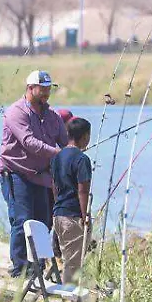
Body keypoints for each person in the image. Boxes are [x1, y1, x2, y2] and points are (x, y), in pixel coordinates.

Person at [0, 70, 68, 277]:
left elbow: (64, 141)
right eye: (43, 88)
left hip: (41, 175)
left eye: (49, 88)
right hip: (16, 172)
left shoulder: (52, 116)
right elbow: (29, 142)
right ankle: (19, 267)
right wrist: (58, 153)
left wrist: (72, 154)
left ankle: (37, 266)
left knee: (43, 221)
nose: (47, 92)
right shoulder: (15, 112)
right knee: (22, 219)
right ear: (30, 88)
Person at [50, 117, 92, 284]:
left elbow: (54, 187)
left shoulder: (57, 157)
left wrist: (57, 206)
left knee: (69, 259)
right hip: (73, 216)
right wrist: (85, 215)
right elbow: (83, 190)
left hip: (58, 215)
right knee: (72, 265)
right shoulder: (82, 159)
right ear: (84, 136)